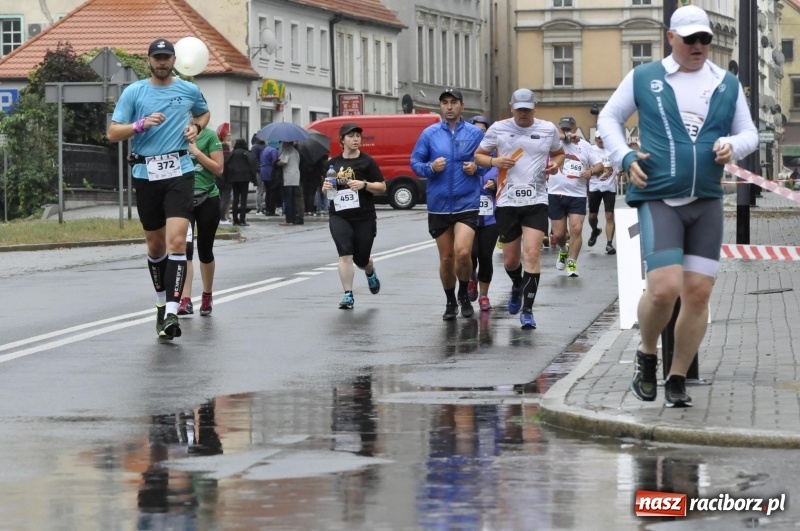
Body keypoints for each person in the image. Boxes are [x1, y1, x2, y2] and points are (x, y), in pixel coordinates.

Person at [597, 5, 758, 407]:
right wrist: (625, 158)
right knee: (665, 288)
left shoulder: (726, 83)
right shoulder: (645, 77)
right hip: (659, 197)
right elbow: (608, 119)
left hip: (705, 200)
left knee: (698, 294)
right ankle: (647, 354)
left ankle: (678, 377)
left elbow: (749, 133)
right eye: (690, 39)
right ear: (671, 38)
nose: (699, 46)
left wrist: (732, 146)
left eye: (704, 39)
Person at [107, 38, 210, 339]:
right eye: (158, 58)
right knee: (156, 246)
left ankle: (172, 314)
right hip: (146, 172)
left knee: (177, 243)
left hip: (180, 171)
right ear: (149, 60)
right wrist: (140, 126)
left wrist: (197, 127)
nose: (163, 62)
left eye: (167, 57)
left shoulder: (188, 89)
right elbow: (113, 132)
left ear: (174, 59)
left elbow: (203, 112)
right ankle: (161, 303)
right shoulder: (135, 92)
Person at [474, 88, 565, 329]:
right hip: (506, 201)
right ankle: (516, 285)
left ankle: (527, 310)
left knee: (532, 254)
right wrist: (495, 161)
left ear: (535, 107)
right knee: (511, 261)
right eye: (519, 108)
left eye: (527, 108)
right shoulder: (498, 129)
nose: (523, 113)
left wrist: (555, 165)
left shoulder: (547, 129)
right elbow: (479, 156)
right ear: (511, 107)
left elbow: (559, 154)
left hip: (536, 201)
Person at [411, 88, 485, 320]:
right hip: (439, 204)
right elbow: (415, 162)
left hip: (467, 202)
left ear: (462, 106)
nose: (449, 107)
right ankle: (450, 301)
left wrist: (477, 168)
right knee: (446, 258)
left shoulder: (474, 134)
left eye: (454, 102)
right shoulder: (430, 134)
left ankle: (463, 294)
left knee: (463, 253)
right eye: (445, 103)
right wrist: (430, 168)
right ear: (440, 107)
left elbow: (487, 161)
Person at [321, 122, 386, 309]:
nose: (356, 139)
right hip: (339, 215)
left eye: (358, 136)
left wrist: (364, 184)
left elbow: (382, 187)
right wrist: (325, 188)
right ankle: (348, 294)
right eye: (351, 136)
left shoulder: (367, 162)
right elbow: (328, 190)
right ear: (342, 139)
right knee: (345, 254)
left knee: (361, 258)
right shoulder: (333, 164)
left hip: (364, 216)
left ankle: (370, 270)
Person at [548, 116, 603, 278]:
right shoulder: (553, 142)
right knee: (558, 235)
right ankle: (563, 250)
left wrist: (591, 171)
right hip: (556, 193)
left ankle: (572, 262)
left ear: (575, 128)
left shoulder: (584, 146)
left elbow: (600, 164)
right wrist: (566, 137)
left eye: (569, 128)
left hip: (577, 194)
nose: (566, 130)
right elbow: (548, 135)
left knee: (576, 229)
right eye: (563, 128)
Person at [177, 125, 224, 316]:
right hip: (182, 199)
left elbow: (219, 168)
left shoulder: (210, 136)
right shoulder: (176, 134)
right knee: (185, 248)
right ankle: (185, 299)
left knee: (205, 250)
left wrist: (196, 152)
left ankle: (207, 295)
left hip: (208, 198)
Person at [467, 115, 499, 310]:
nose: (480, 134)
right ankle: (472, 279)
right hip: (468, 214)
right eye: (476, 130)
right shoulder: (464, 156)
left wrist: (495, 183)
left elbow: (503, 176)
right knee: (471, 254)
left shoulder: (495, 155)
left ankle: (484, 296)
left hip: (490, 216)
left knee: (485, 256)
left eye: (483, 130)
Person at [588, 130, 620, 255]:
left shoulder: (613, 151)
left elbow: (621, 164)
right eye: (598, 138)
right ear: (595, 140)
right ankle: (595, 230)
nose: (601, 140)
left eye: (603, 138)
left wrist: (621, 172)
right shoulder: (590, 150)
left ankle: (609, 244)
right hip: (594, 187)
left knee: (609, 216)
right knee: (592, 216)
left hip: (609, 188)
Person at [224, 138, 258, 226]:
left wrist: (227, 177)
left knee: (235, 199)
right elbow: (252, 165)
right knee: (243, 200)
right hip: (244, 179)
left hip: (234, 179)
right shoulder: (246, 153)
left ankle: (235, 220)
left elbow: (226, 163)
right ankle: (242, 220)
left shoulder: (232, 153)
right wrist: (254, 179)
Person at [277, 141, 303, 226]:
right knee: (293, 200)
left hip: (288, 178)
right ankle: (294, 219)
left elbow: (284, 162)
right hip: (295, 177)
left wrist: (276, 163)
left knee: (287, 199)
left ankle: (289, 220)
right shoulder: (296, 151)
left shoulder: (287, 151)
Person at [215, 124, 233, 225]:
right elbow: (226, 161)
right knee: (224, 198)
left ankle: (219, 217)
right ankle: (222, 218)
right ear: (223, 136)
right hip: (226, 176)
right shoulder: (224, 146)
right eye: (228, 135)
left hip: (219, 175)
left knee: (220, 197)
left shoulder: (218, 145)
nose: (230, 137)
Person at [258, 140, 280, 216]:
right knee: (272, 192)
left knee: (268, 191)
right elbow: (275, 161)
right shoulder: (273, 150)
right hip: (270, 171)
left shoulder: (265, 149)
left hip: (263, 171)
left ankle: (268, 209)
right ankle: (271, 210)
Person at [250, 135, 266, 213]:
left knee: (260, 190)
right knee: (260, 190)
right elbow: (254, 159)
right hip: (261, 170)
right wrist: (258, 168)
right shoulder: (258, 147)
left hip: (260, 169)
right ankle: (259, 208)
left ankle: (260, 207)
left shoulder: (256, 147)